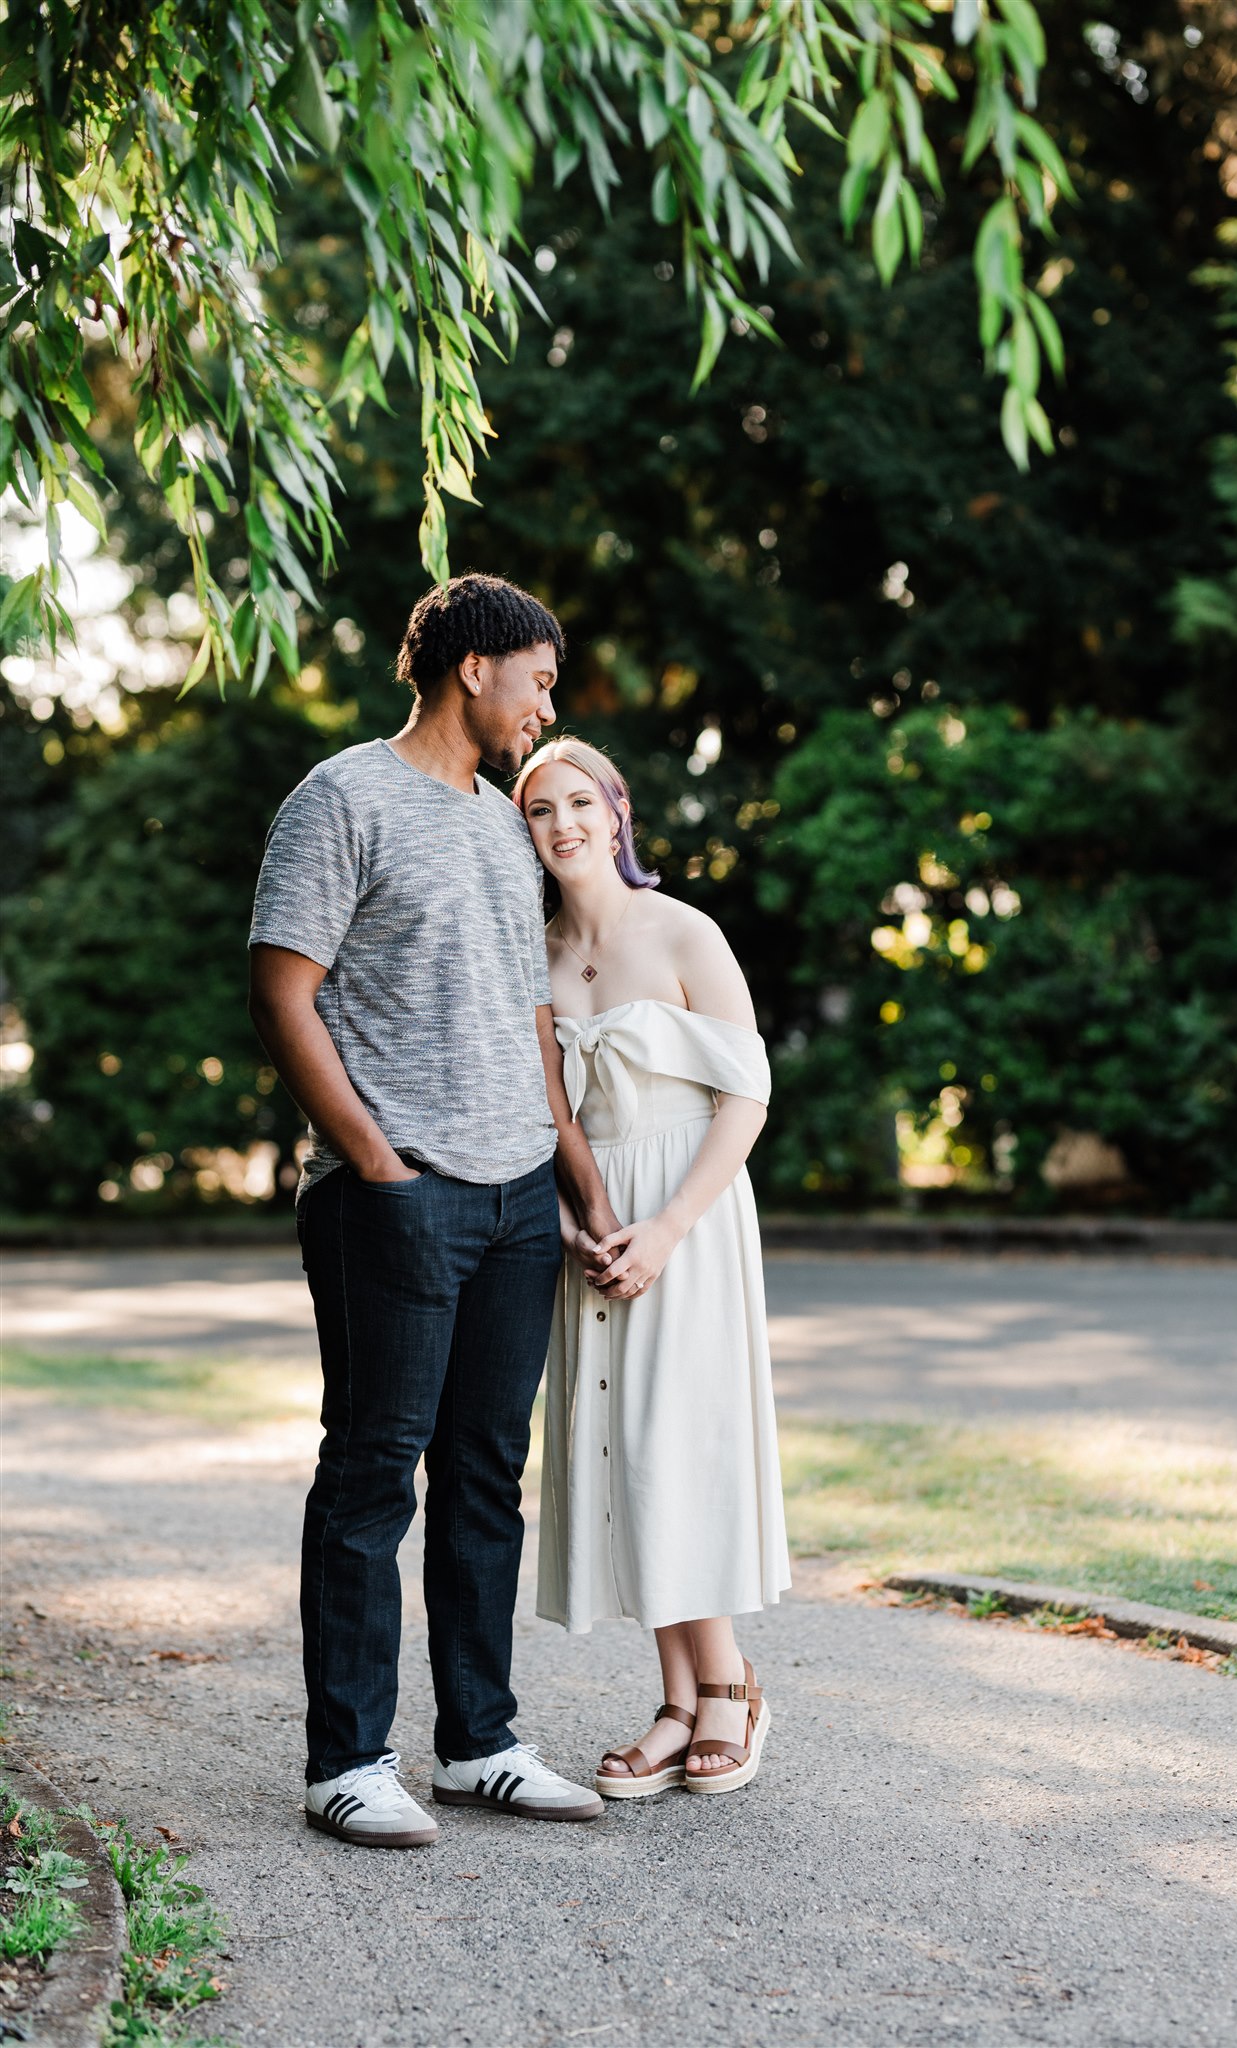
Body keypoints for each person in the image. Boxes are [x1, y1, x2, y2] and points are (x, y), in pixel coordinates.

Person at [247, 575, 620, 1847]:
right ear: (476, 667)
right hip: (394, 1197)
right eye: (539, 675)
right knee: (370, 1471)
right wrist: (376, 1160)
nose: (546, 700)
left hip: (517, 1195)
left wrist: (569, 1168)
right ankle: (348, 1757)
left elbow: (527, 1016)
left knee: (484, 1475)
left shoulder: (500, 827)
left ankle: (481, 1741)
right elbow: (283, 991)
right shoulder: (341, 797)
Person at [515, 737, 791, 1797]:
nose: (564, 822)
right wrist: (566, 1219)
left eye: (581, 800)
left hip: (688, 1208)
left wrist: (670, 1225)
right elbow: (538, 1114)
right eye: (541, 810)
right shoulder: (533, 953)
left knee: (676, 1435)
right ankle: (678, 1700)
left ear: (618, 809)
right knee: (624, 1448)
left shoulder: (683, 932)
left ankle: (728, 1687)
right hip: (589, 1222)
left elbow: (749, 1094)